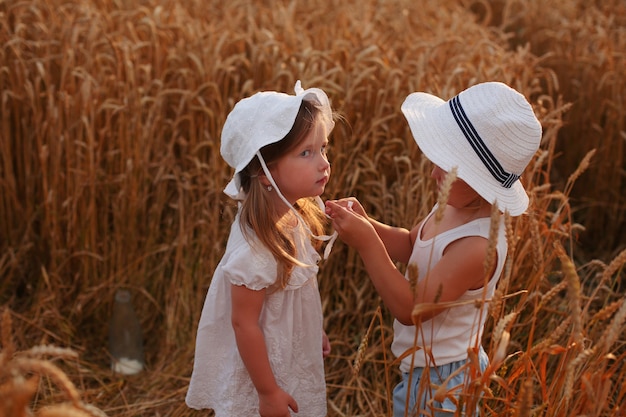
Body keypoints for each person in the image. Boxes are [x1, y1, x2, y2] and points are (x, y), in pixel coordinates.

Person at [325, 82, 542, 416]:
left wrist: (367, 243)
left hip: (444, 384)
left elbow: (410, 307)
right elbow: (414, 244)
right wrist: (371, 226)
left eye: (447, 167)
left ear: (479, 180)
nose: (432, 173)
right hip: (424, 370)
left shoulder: (477, 247)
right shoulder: (455, 206)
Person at [185, 81, 337, 417]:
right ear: (263, 172)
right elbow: (244, 324)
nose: (324, 163)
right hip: (264, 371)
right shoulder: (254, 250)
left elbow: (295, 293)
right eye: (306, 153)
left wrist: (312, 329)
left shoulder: (291, 217)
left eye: (323, 148)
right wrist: (268, 393)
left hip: (287, 350)